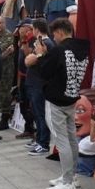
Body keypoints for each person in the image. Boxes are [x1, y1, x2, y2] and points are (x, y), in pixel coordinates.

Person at [26, 18, 89, 189]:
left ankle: (68, 183)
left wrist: (40, 55)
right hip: (71, 97)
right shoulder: (83, 48)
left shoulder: (60, 50)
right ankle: (72, 176)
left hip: (57, 99)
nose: (54, 38)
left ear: (60, 32)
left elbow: (45, 72)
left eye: (54, 34)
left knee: (62, 141)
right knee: (71, 138)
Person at [24, 19, 54, 156]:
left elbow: (30, 61)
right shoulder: (39, 42)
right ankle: (39, 139)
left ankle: (43, 143)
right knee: (36, 113)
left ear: (36, 29)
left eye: (32, 29)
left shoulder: (45, 43)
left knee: (41, 114)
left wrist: (32, 56)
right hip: (34, 83)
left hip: (39, 84)